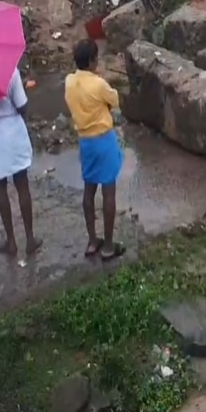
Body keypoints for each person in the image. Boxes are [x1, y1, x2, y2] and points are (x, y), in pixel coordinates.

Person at [65, 39, 125, 261]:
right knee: (108, 192)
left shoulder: (69, 82)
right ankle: (108, 245)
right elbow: (114, 101)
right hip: (103, 140)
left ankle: (92, 240)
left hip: (85, 143)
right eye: (96, 58)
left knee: (89, 191)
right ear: (91, 61)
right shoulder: (98, 84)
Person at [0, 66, 40, 257]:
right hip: (12, 129)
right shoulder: (10, 70)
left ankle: (11, 241)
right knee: (22, 185)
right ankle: (30, 239)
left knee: (0, 187)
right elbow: (22, 106)